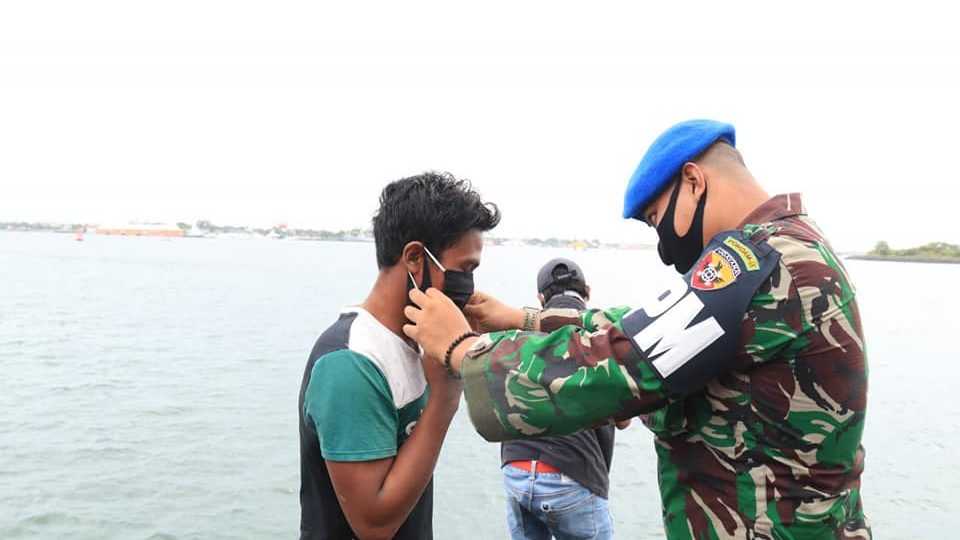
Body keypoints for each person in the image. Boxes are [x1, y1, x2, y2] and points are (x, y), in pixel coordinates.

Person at [403, 120, 871, 539]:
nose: (663, 244)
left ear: (693, 181)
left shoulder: (759, 266)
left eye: (654, 219)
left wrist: (464, 350)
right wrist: (524, 320)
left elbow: (618, 364)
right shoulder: (789, 251)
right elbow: (647, 327)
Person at [298, 171, 500, 539]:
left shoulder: (413, 344)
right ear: (413, 258)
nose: (468, 286)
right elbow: (374, 524)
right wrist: (443, 398)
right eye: (463, 270)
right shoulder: (351, 361)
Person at [500, 258, 626, 540]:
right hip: (573, 475)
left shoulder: (518, 331)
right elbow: (625, 418)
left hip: (516, 469)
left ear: (541, 298)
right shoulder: (601, 335)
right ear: (588, 292)